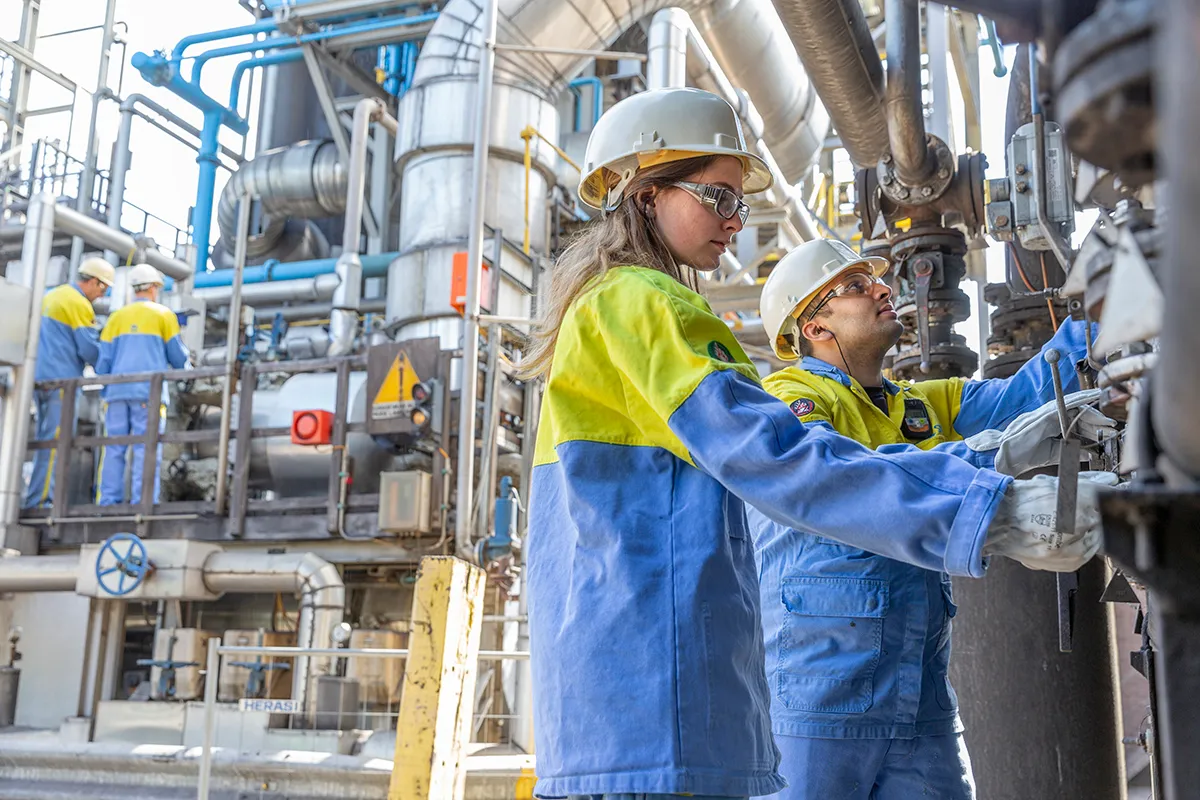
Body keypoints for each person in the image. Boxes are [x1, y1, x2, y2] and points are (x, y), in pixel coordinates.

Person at [521, 87, 1109, 800]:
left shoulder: (895, 402)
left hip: (664, 698)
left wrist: (1097, 337)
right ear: (646, 193)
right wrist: (989, 508)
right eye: (719, 197)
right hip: (671, 699)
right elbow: (785, 460)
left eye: (739, 203)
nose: (735, 221)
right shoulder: (638, 305)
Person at [750, 239, 1117, 800]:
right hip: (819, 697)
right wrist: (994, 453)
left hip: (917, 695)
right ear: (814, 326)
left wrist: (1104, 310)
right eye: (854, 286)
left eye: (875, 281)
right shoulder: (787, 400)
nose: (882, 288)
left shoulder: (917, 407)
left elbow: (1030, 392)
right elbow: (847, 477)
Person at [96, 263, 189, 505]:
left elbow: (103, 362)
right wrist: (187, 371)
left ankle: (108, 501)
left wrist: (107, 386)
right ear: (154, 288)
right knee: (146, 448)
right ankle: (143, 501)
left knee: (114, 448)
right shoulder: (163, 315)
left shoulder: (116, 318)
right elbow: (178, 358)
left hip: (116, 393)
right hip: (149, 394)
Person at [24, 257, 114, 508]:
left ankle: (37, 496)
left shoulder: (53, 295)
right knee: (55, 442)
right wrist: (109, 370)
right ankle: (41, 500)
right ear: (94, 282)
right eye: (102, 288)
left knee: (45, 439)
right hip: (61, 382)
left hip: (39, 378)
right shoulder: (78, 303)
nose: (100, 294)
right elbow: (89, 349)